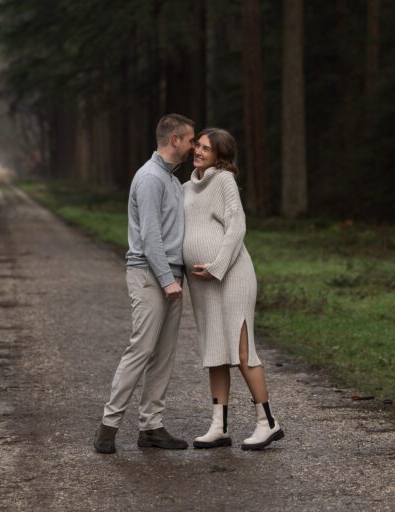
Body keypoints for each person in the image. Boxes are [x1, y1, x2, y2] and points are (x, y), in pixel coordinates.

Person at [93, 114, 195, 454]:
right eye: (191, 139)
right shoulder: (150, 178)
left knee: (163, 355)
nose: (194, 146)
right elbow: (150, 236)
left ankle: (151, 427)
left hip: (172, 276)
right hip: (150, 276)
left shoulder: (170, 179)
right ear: (175, 140)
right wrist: (167, 280)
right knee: (140, 350)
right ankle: (107, 429)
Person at [183, 128, 284, 450]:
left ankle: (267, 422)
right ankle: (219, 426)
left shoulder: (223, 181)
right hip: (202, 283)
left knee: (242, 351)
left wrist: (216, 267)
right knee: (215, 351)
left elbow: (237, 226)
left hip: (232, 276)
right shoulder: (186, 188)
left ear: (220, 156)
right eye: (197, 145)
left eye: (207, 149)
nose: (199, 151)